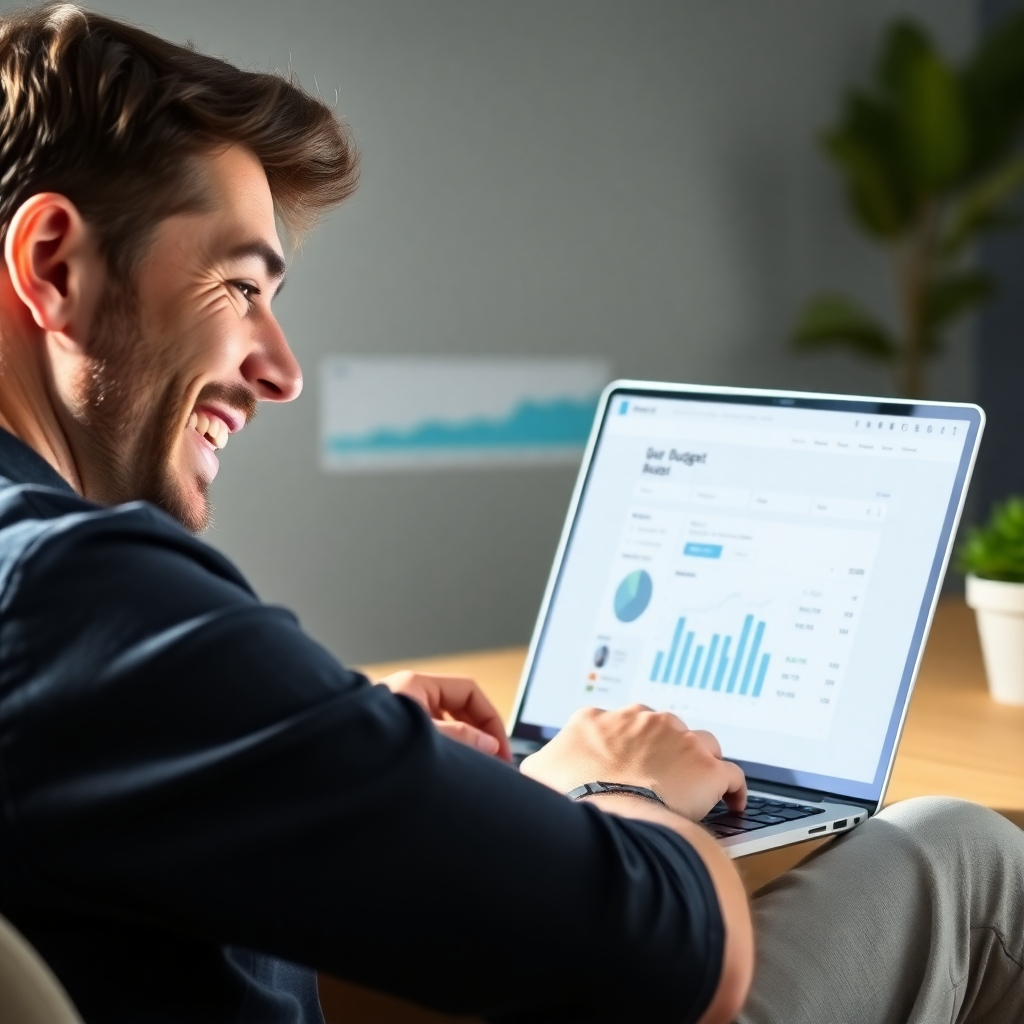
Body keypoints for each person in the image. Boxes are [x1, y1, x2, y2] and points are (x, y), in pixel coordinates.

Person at [0, 6, 1018, 1024]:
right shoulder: (79, 598)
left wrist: (334, 751)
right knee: (965, 853)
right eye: (238, 285)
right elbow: (671, 956)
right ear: (53, 264)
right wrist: (622, 786)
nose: (283, 370)